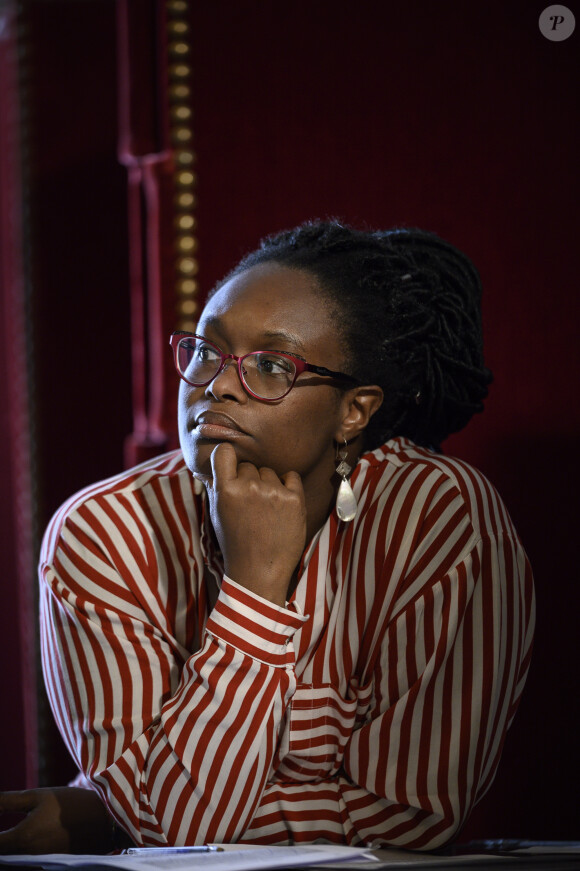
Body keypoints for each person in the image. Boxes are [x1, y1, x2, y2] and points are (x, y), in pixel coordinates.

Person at [0, 220, 535, 854]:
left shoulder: (441, 521)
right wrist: (255, 590)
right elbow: (167, 831)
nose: (218, 384)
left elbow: (410, 814)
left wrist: (110, 816)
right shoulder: (102, 533)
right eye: (206, 350)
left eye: (272, 365)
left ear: (354, 411)